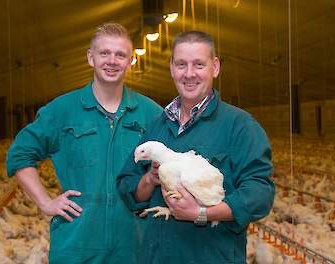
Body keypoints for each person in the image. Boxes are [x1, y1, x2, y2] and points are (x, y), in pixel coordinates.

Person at [6, 22, 162, 263]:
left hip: (134, 245)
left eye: (120, 55)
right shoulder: (61, 110)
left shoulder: (150, 113)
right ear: (91, 57)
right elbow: (20, 155)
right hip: (77, 244)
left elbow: (173, 165)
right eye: (104, 53)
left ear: (131, 61)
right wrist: (45, 202)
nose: (112, 60)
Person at [116, 30, 275, 263]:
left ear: (215, 67)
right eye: (181, 64)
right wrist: (150, 179)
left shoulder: (240, 127)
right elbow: (127, 189)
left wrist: (200, 214)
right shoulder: (155, 129)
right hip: (157, 257)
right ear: (172, 68)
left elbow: (260, 194)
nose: (189, 74)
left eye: (199, 64)